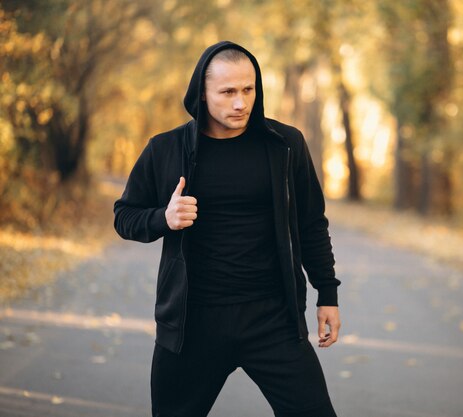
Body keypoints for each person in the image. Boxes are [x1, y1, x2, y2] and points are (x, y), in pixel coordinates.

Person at [113, 41, 341, 417]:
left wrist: (327, 293)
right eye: (228, 92)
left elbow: (312, 223)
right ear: (202, 94)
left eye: (248, 90)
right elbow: (125, 215)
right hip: (193, 324)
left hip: (272, 319)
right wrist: (163, 218)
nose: (241, 103)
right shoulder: (165, 149)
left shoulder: (284, 145)